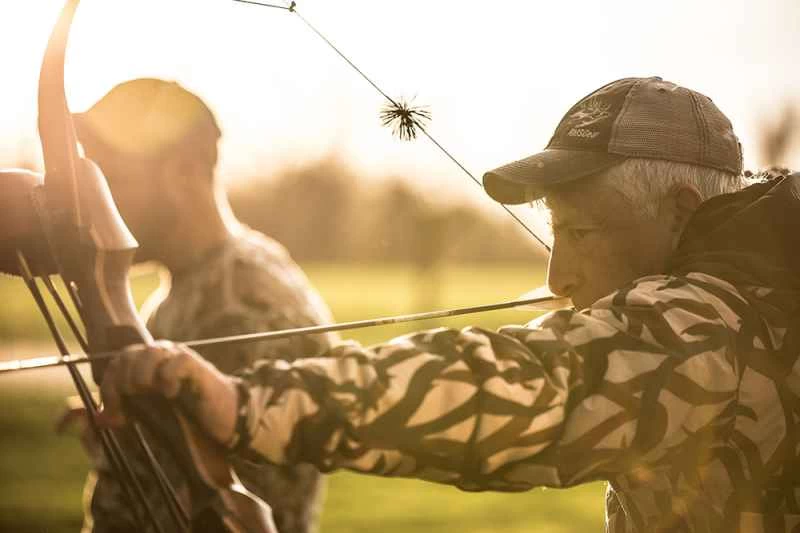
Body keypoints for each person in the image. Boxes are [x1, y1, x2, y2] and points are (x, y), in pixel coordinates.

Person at [97, 77, 800, 532]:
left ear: (680, 213)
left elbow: (528, 385)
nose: (559, 276)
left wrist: (247, 405)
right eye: (554, 234)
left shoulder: (711, 327)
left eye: (581, 231)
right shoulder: (754, 293)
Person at [67, 78, 337, 533]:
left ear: (187, 170)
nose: (94, 203)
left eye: (113, 178)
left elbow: (223, 507)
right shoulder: (195, 285)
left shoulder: (248, 306)